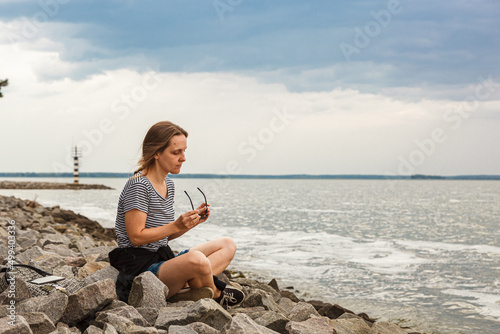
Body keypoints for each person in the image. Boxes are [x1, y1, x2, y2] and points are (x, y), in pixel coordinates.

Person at [109, 121, 244, 308]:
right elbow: (136, 238)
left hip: (163, 259)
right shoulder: (139, 186)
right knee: (198, 260)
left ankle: (191, 288)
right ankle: (216, 292)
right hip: (141, 271)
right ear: (156, 153)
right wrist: (176, 225)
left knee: (227, 245)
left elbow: (162, 236)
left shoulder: (168, 185)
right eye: (176, 152)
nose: (183, 158)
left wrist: (190, 222)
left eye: (184, 151)